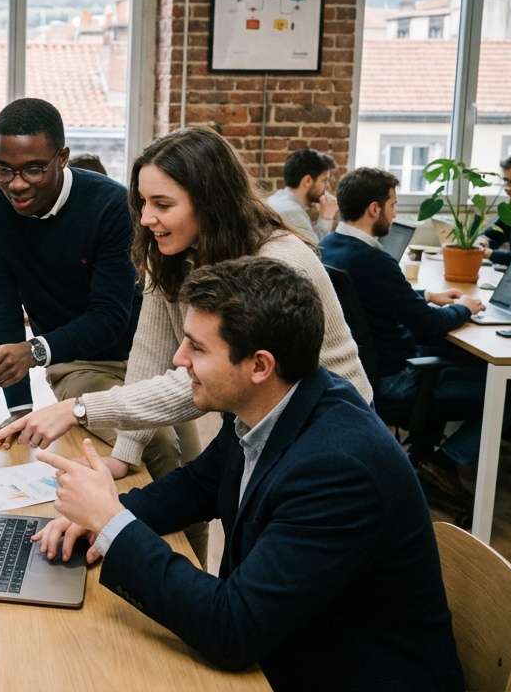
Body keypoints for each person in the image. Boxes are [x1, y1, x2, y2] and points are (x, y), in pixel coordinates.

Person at [33, 257, 463, 691]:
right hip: (293, 648)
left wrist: (112, 523)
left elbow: (231, 628)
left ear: (259, 366)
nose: (180, 359)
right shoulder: (270, 404)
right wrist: (100, 516)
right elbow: (198, 484)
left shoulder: (338, 469)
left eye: (197, 348)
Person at [0, 126, 371, 477]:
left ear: (211, 203)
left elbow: (210, 377)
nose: (145, 218)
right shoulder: (175, 252)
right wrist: (125, 454)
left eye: (162, 204)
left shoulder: (275, 263)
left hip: (329, 428)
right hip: (260, 419)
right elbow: (150, 353)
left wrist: (79, 409)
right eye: (143, 202)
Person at [321, 167, 511, 497]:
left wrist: (427, 295)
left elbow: (380, 295)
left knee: (454, 354)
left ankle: (422, 451)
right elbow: (429, 324)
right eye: (393, 205)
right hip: (398, 379)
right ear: (374, 209)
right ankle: (443, 463)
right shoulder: (374, 260)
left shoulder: (330, 245)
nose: (395, 213)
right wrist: (464, 308)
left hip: (371, 369)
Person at [0, 98, 143, 455]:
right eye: (4, 169)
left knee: (184, 457)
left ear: (62, 158)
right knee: (149, 443)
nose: (16, 184)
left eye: (33, 169)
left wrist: (33, 351)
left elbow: (110, 316)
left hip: (142, 353)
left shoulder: (111, 204)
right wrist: (19, 407)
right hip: (75, 362)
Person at [265, 147, 338, 244]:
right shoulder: (292, 212)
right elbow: (316, 250)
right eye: (325, 180)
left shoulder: (274, 199)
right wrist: (326, 218)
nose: (328, 187)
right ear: (307, 181)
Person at [481, 151, 511, 266]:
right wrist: (484, 242)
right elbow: (493, 235)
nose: (507, 188)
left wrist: (492, 254)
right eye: (506, 182)